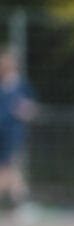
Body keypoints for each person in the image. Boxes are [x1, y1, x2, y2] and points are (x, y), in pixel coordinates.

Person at [0, 48, 36, 214]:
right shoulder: (2, 86)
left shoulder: (21, 86)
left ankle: (21, 203)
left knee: (10, 167)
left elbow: (30, 109)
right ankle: (21, 203)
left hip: (13, 132)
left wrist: (24, 109)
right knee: (8, 169)